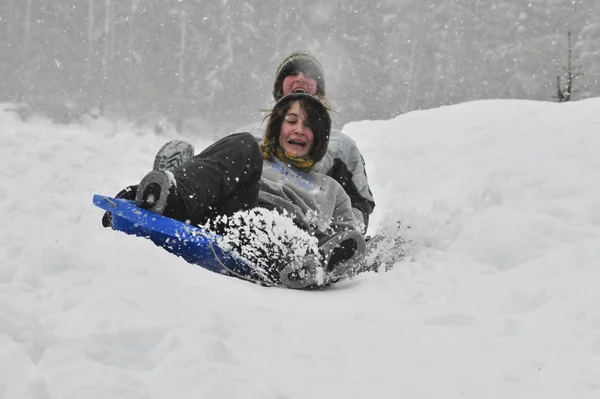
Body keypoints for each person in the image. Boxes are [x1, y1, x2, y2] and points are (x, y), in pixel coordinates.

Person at [103, 93, 365, 288]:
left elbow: (347, 240)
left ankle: (304, 262)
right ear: (278, 128)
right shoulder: (256, 159)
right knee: (242, 146)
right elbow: (211, 176)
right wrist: (138, 196)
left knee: (293, 230)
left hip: (289, 237)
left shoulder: (332, 188)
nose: (298, 129)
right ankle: (169, 197)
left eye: (308, 126)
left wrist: (342, 253)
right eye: (292, 121)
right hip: (229, 217)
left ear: (319, 138)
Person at [239, 50, 375, 233]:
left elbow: (360, 205)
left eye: (309, 75)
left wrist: (338, 229)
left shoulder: (341, 147)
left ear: (319, 91)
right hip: (252, 215)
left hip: (312, 228)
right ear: (279, 88)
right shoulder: (249, 136)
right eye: (292, 73)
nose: (301, 78)